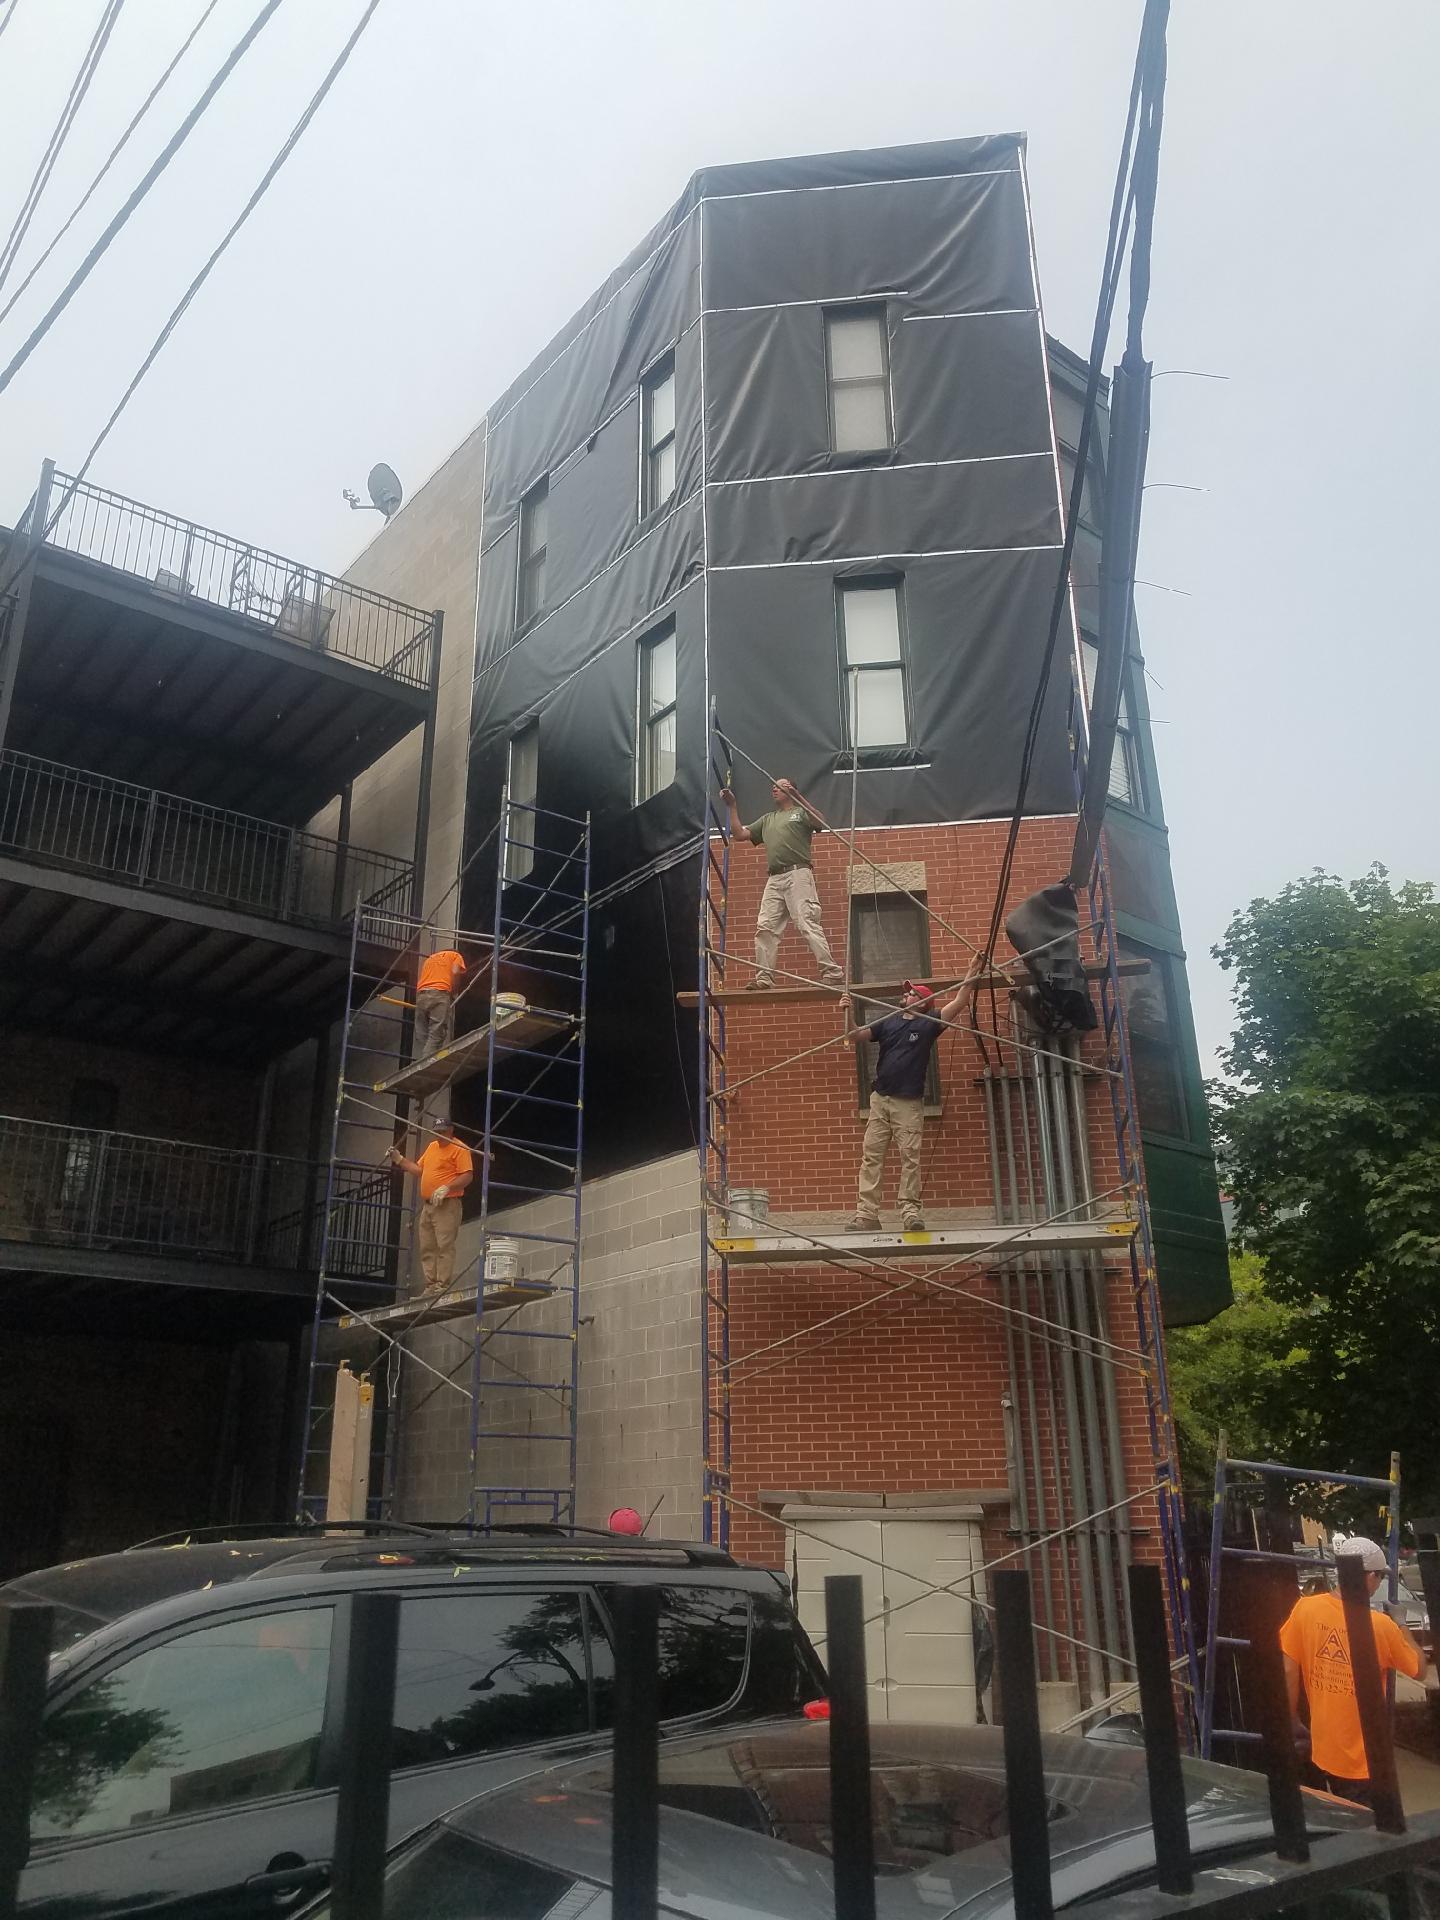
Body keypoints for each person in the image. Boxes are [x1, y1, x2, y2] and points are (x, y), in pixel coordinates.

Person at [1280, 1534, 1427, 1804]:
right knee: (1373, 1836)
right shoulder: (1381, 1626)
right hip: (1364, 1763)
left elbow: (1288, 1670)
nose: (1379, 1582)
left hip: (1322, 1751)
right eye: (1380, 1576)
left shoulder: (1305, 1609)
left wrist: (1290, 1720)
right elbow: (1419, 1670)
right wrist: (1402, 1624)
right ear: (1369, 1577)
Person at [841, 969, 980, 1233]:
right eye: (907, 991)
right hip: (880, 1099)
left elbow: (960, 1001)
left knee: (909, 1158)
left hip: (908, 1102)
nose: (906, 994)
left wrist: (973, 972)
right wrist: (846, 1013)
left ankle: (909, 1212)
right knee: (871, 1157)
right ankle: (867, 1214)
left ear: (924, 1002)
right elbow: (855, 1036)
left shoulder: (930, 1023)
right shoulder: (889, 1021)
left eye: (912, 992)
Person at [719, 778, 844, 990]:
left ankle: (832, 972)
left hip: (798, 873)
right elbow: (740, 834)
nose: (774, 789)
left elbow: (820, 822)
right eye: (773, 786)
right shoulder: (768, 819)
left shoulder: (800, 813)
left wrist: (797, 795)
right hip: (774, 878)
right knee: (765, 927)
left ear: (791, 789)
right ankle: (764, 978)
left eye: (779, 786)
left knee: (806, 921)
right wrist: (732, 806)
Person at [387, 1122, 475, 1294]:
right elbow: (420, 1170)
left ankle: (442, 1285)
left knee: (444, 1245)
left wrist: (448, 1187)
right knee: (427, 1246)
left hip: (447, 1204)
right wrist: (399, 1160)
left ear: (451, 1131)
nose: (439, 1135)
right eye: (436, 1132)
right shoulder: (433, 1146)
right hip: (428, 1205)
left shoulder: (460, 1149)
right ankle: (431, 1285)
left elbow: (468, 1176)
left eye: (442, 1131)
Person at [413, 946, 466, 1057]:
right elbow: (455, 972)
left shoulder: (430, 959)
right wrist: (454, 990)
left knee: (422, 1031)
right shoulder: (455, 955)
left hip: (421, 995)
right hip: (440, 993)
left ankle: (422, 1058)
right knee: (437, 1033)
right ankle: (426, 1063)